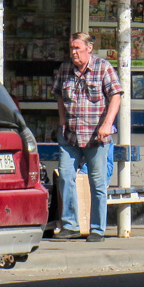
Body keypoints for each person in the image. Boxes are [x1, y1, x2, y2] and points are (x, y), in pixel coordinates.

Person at [50, 32, 123, 242]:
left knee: (97, 183)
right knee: (65, 177)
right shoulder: (65, 70)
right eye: (71, 48)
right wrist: (62, 121)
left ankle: (97, 229)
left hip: (96, 136)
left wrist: (107, 124)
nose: (74, 52)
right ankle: (70, 225)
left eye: (77, 48)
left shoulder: (103, 67)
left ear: (89, 48)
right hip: (70, 135)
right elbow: (59, 97)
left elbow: (115, 96)